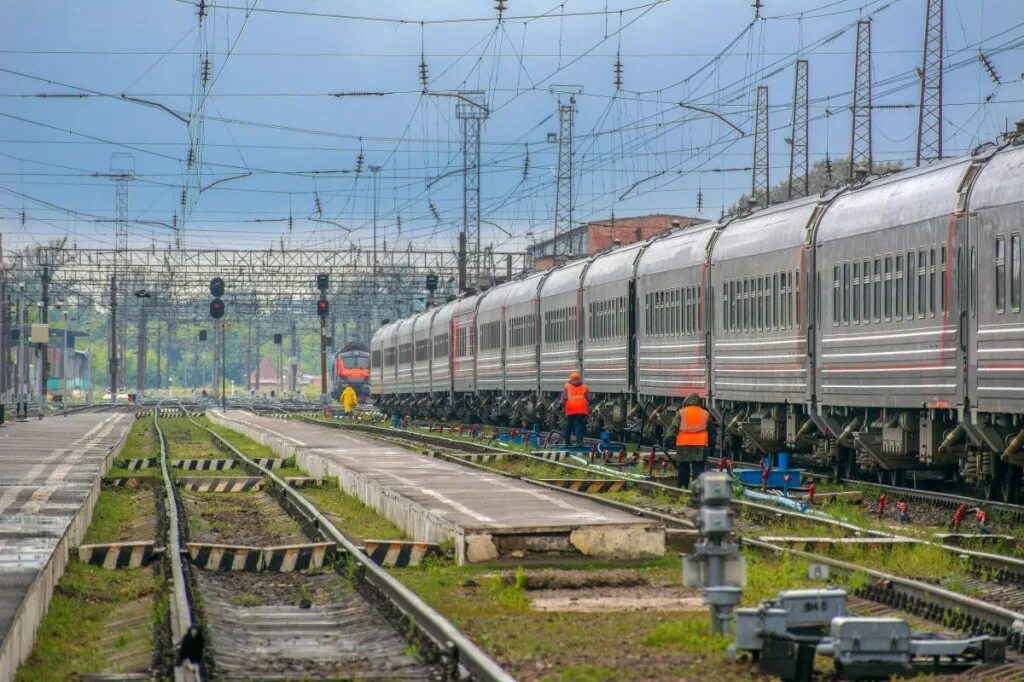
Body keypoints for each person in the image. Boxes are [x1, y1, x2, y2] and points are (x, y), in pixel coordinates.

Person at [668, 393, 711, 489]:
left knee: (683, 467)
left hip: (684, 443)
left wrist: (669, 438)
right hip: (700, 444)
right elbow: (711, 429)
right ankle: (697, 490)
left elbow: (673, 427)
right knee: (698, 467)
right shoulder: (705, 413)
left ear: (687, 401)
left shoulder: (682, 412)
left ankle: (682, 488)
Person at [558, 371, 593, 447]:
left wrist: (560, 404)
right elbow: (590, 398)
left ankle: (567, 441)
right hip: (581, 409)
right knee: (579, 425)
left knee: (569, 425)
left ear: (571, 378)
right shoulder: (584, 386)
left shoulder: (567, 386)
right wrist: (590, 404)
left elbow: (564, 397)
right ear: (579, 378)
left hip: (571, 408)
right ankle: (579, 442)